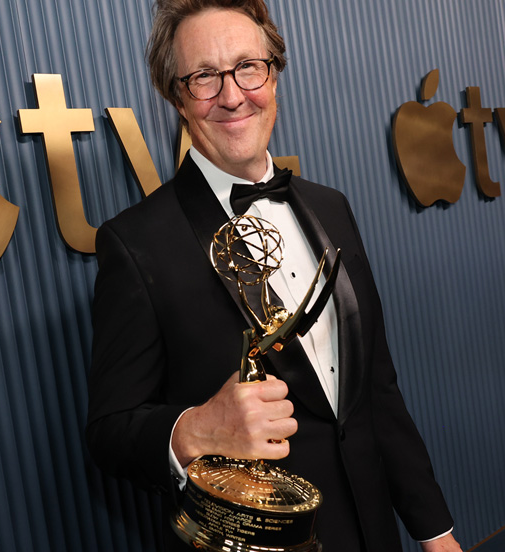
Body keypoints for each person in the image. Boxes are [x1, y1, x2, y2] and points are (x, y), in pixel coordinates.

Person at [86, 1, 461, 550]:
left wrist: (435, 532)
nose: (232, 95)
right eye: (204, 77)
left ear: (274, 75)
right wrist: (194, 429)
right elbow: (109, 432)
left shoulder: (331, 207)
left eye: (248, 67)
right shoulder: (135, 243)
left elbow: (375, 391)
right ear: (177, 98)